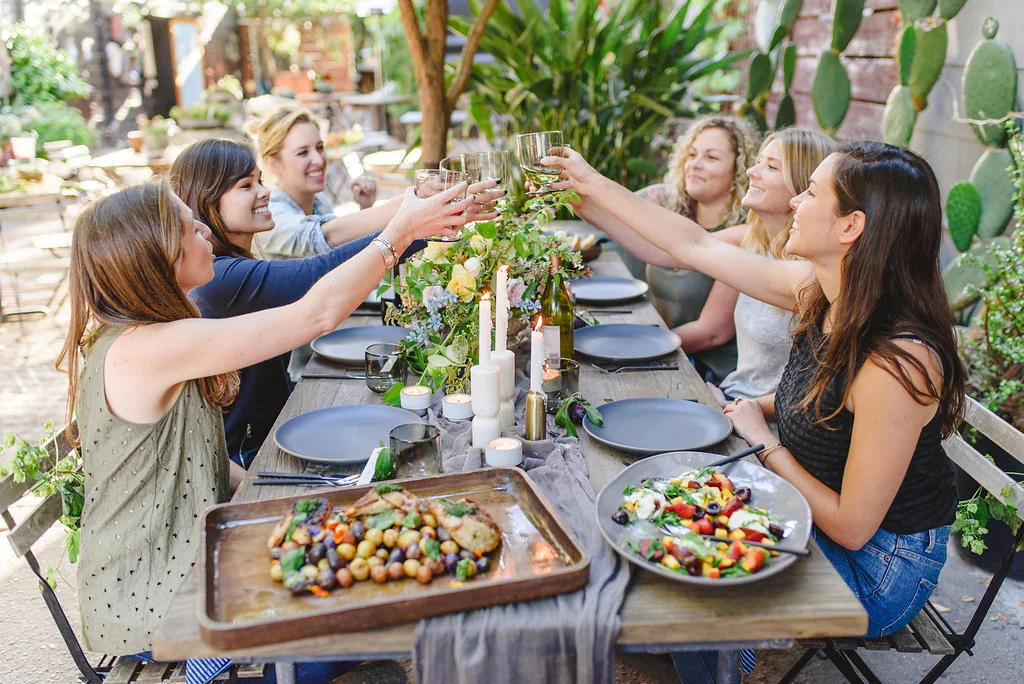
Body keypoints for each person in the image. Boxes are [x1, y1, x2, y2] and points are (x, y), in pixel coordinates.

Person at [547, 140, 964, 655]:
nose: (794, 202)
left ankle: (718, 655)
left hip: (879, 568)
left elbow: (853, 528)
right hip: (810, 507)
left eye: (810, 193)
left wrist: (765, 443)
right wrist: (589, 182)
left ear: (850, 227)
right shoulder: (822, 291)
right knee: (668, 510)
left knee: (688, 565)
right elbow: (695, 246)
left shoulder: (896, 361)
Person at [57, 178, 470, 679]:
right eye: (191, 227)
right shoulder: (147, 347)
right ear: (159, 257)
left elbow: (188, 458)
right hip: (153, 598)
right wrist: (398, 234)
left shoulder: (146, 335)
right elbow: (315, 314)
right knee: (377, 613)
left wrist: (280, 490)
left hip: (175, 561)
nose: (206, 231)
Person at [579, 127, 836, 403]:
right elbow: (665, 249)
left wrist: (593, 181)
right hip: (731, 395)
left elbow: (816, 392)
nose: (751, 171)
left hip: (765, 421)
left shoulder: (814, 273)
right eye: (759, 160)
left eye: (771, 166)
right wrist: (580, 201)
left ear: (801, 185)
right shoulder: (751, 239)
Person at [624, 115, 760, 382]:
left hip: (713, 378)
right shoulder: (669, 204)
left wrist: (637, 347)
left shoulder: (747, 234)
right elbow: (613, 209)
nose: (694, 165)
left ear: (740, 169)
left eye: (711, 158)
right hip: (666, 353)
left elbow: (712, 331)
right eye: (692, 154)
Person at [247, 105, 403, 259]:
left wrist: (365, 208)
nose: (318, 159)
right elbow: (323, 238)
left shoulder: (318, 201)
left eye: (320, 148)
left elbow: (338, 253)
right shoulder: (270, 215)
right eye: (303, 153)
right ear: (273, 164)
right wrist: (406, 204)